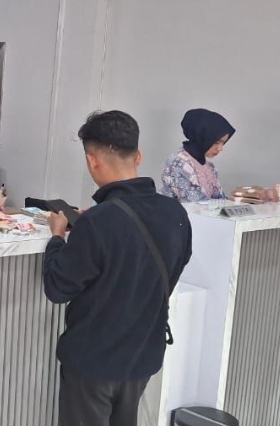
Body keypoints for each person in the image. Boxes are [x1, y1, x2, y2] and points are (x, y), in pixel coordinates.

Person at [43, 110, 192, 425]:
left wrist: (57, 237)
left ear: (92, 160)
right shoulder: (175, 213)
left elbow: (57, 288)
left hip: (93, 361)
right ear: (138, 156)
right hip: (143, 355)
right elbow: (174, 267)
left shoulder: (99, 222)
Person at [161, 108, 235, 202]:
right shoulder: (177, 163)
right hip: (182, 212)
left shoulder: (209, 167)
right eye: (216, 142)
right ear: (201, 137)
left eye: (223, 143)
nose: (220, 148)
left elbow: (219, 199)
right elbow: (195, 203)